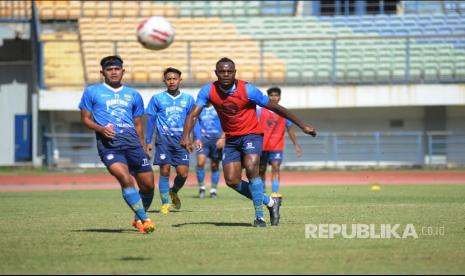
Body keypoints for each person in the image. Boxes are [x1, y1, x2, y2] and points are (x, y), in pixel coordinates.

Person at [181, 57, 316, 227]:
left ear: (235, 73)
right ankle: (271, 203)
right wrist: (185, 135)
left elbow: (276, 107)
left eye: (229, 71)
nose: (225, 74)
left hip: (251, 135)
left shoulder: (248, 90)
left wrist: (302, 125)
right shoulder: (208, 91)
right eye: (222, 71)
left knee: (252, 169)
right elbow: (193, 114)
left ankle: (259, 217)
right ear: (216, 73)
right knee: (232, 181)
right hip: (231, 139)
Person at [79, 55, 155, 234]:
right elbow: (85, 119)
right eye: (109, 69)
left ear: (123, 71)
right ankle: (146, 219)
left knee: (148, 186)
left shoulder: (133, 94)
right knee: (125, 179)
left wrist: (144, 146)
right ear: (102, 72)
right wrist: (100, 128)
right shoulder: (92, 92)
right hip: (110, 146)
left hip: (133, 146)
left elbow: (137, 124)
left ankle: (138, 219)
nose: (113, 72)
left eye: (117, 69)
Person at [145, 67, 195, 215]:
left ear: (180, 80)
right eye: (169, 79)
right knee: (165, 170)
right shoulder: (157, 98)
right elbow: (151, 120)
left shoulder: (188, 99)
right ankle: (165, 203)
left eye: (174, 78)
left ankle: (174, 191)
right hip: (163, 141)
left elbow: (193, 119)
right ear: (164, 81)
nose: (172, 81)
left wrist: (195, 138)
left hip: (182, 142)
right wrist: (148, 141)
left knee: (183, 174)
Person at [258, 87, 303, 198]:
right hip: (262, 145)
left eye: (276, 95)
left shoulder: (283, 113)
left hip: (277, 146)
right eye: (271, 95)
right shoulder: (259, 112)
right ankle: (262, 191)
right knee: (261, 170)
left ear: (280, 97)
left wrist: (296, 144)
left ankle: (275, 192)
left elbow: (290, 128)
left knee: (276, 167)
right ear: (268, 97)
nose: (274, 97)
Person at [193, 102, 225, 199]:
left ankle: (213, 190)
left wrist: (222, 138)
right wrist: (196, 139)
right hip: (203, 141)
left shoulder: (219, 108)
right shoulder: (199, 109)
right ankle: (202, 188)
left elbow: (226, 123)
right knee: (200, 163)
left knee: (215, 165)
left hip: (217, 141)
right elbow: (195, 124)